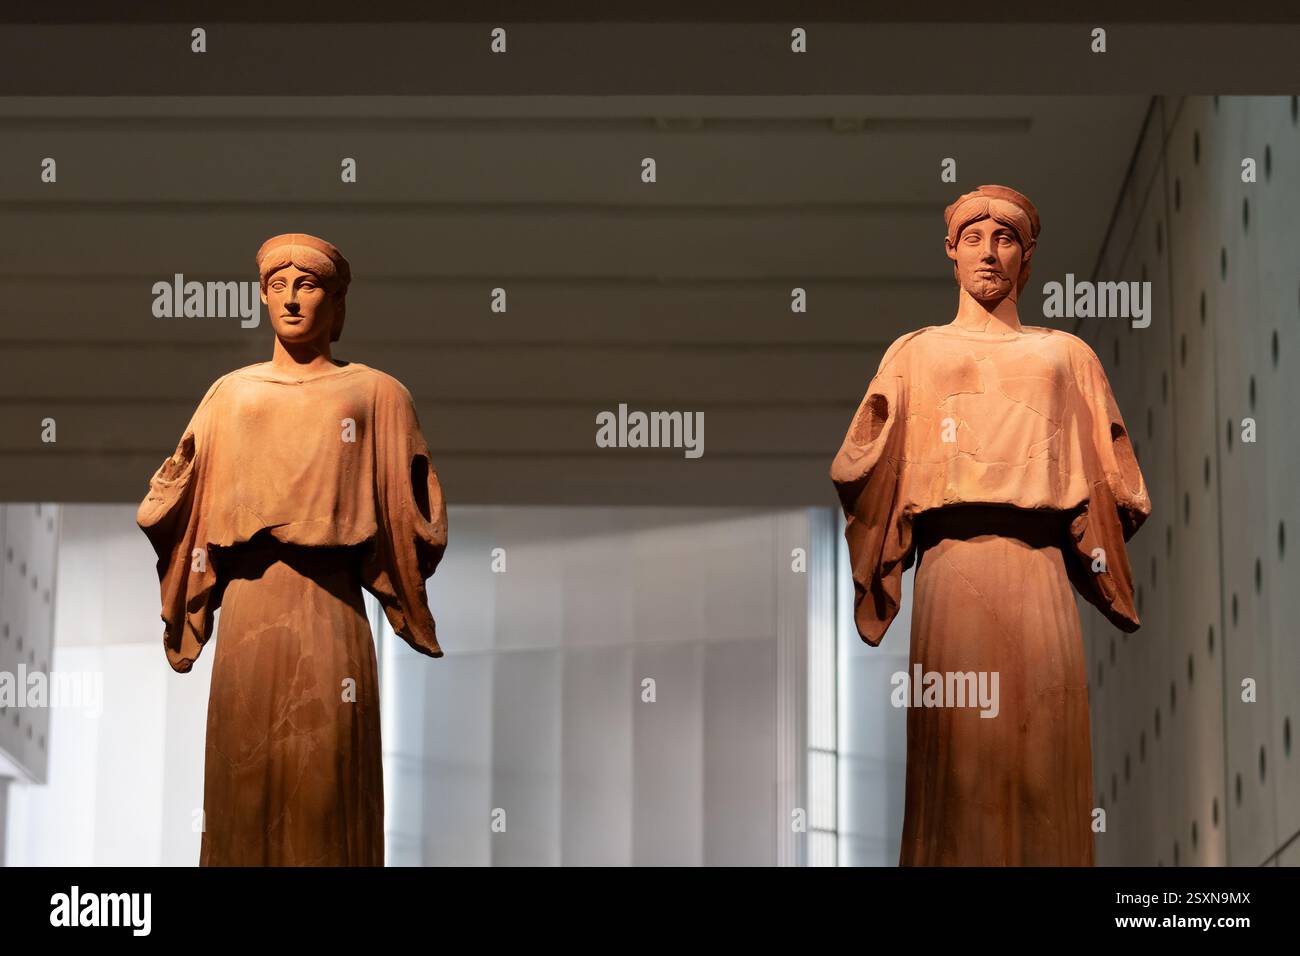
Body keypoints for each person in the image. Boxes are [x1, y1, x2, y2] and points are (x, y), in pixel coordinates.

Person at [831, 186, 1150, 865]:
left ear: (1026, 259)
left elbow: (1116, 482)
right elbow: (863, 466)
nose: (988, 252)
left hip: (1039, 574)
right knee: (962, 769)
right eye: (974, 238)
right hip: (953, 571)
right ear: (951, 252)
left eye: (1004, 239)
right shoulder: (916, 354)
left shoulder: (1065, 356)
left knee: (1043, 766)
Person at [138, 233, 448, 866]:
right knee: (242, 790)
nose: (291, 299)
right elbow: (180, 502)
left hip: (330, 615)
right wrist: (165, 500)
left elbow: (415, 519)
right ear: (261, 298)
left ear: (336, 307)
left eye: (307, 286)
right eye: (278, 286)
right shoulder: (231, 397)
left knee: (325, 789)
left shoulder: (375, 396)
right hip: (250, 617)